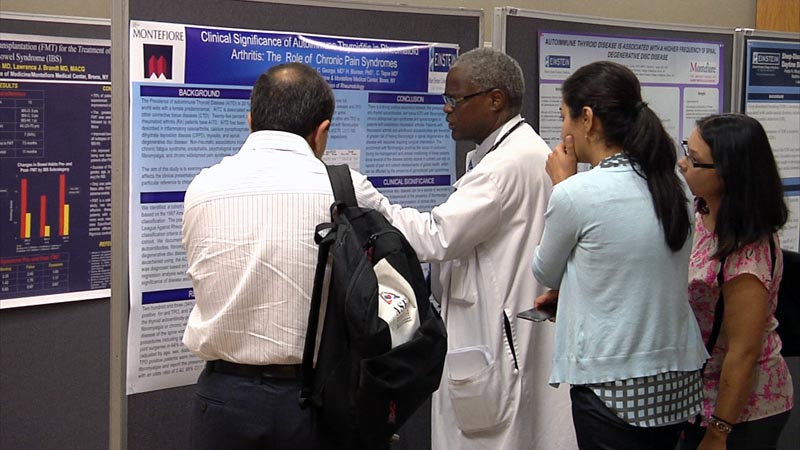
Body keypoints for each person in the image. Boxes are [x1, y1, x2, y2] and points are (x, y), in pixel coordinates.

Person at [357, 47, 576, 450]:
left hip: (495, 339)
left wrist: (366, 197)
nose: (447, 109)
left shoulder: (505, 165)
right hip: (502, 333)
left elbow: (435, 237)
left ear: (494, 100)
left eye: (455, 100)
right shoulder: (509, 153)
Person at [181, 62, 374, 450]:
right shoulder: (343, 189)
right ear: (322, 133)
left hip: (222, 400)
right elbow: (421, 239)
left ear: (251, 120)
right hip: (311, 401)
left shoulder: (201, 187)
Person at [531, 61, 708, 449]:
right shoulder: (672, 183)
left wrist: (563, 183)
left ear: (588, 119)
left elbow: (545, 269)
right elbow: (636, 267)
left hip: (612, 380)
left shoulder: (576, 193)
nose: (563, 132)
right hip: (675, 379)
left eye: (565, 118)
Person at [678, 113, 794, 450]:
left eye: (695, 160)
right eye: (687, 149)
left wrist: (719, 431)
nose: (683, 163)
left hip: (740, 411)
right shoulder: (705, 211)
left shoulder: (747, 256)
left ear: (728, 175)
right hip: (701, 394)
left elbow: (743, 350)